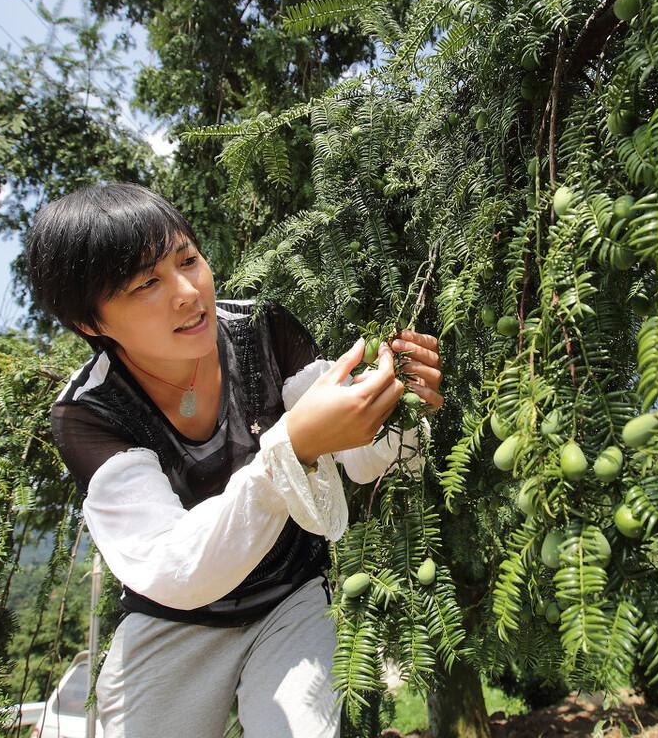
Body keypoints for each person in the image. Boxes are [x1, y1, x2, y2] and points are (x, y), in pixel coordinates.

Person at [24, 182, 444, 737]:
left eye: (188, 260)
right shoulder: (89, 414)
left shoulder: (265, 332)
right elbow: (175, 568)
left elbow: (366, 463)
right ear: (91, 323)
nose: (187, 292)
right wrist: (290, 450)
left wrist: (398, 409)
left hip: (291, 599)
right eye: (146, 283)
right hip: (173, 623)